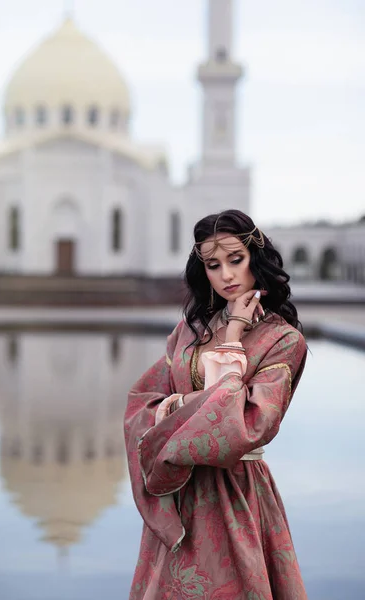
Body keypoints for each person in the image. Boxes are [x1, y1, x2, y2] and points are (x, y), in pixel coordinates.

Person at [124, 209, 308, 600]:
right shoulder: (188, 333)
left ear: (255, 259)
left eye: (235, 259)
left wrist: (235, 332)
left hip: (236, 494)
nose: (226, 274)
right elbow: (141, 404)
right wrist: (185, 407)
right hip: (181, 489)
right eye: (213, 264)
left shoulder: (284, 341)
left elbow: (247, 423)